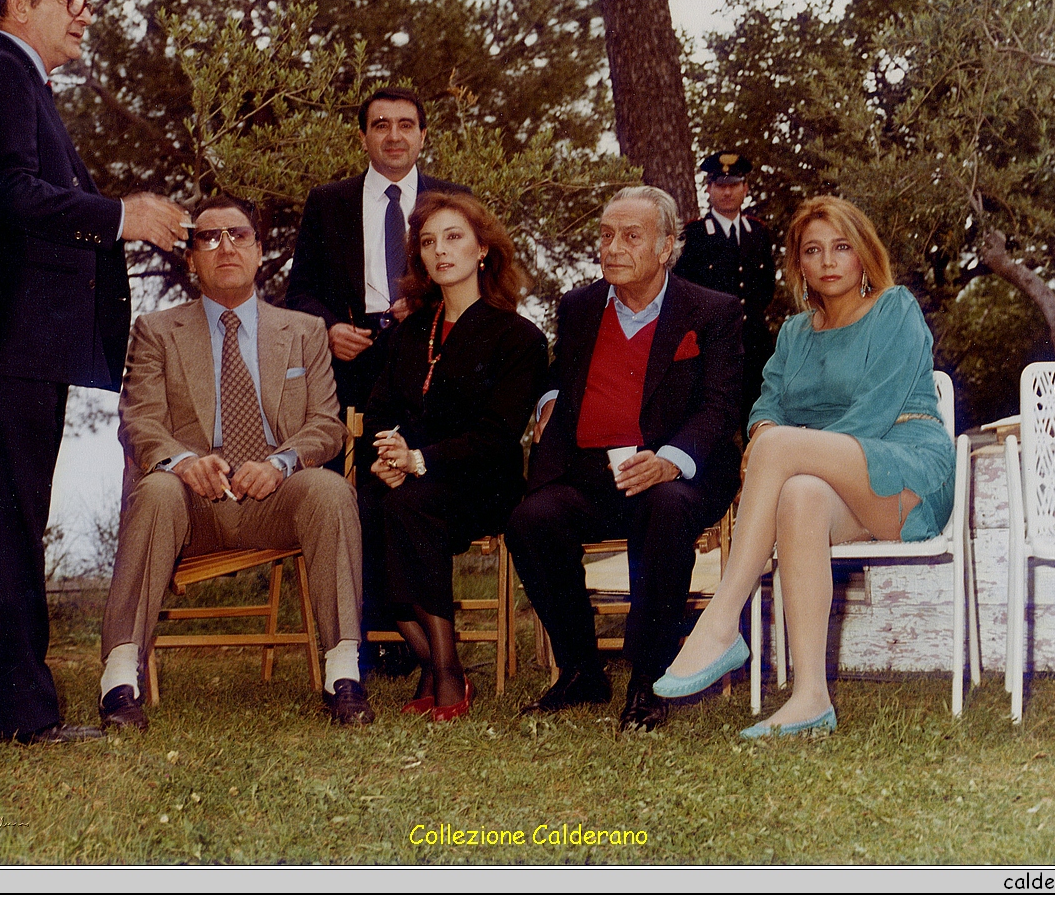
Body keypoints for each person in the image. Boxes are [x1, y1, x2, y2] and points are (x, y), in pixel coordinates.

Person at [0, 0, 187, 743]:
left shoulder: (10, 77)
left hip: (9, 348)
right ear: (18, 4)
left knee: (1, 524)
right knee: (8, 525)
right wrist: (119, 217)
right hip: (3, 343)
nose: (86, 12)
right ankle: (17, 719)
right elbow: (8, 192)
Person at [653, 195, 956, 738]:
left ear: (863, 253)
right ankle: (811, 696)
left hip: (906, 469)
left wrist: (787, 444)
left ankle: (723, 619)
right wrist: (778, 438)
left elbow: (876, 412)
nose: (829, 261)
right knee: (799, 495)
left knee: (779, 452)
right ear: (798, 265)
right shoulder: (794, 334)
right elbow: (766, 409)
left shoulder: (895, 307)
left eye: (842, 247)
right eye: (813, 251)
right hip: (839, 488)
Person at [99, 195, 374, 730]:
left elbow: (326, 423)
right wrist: (182, 462)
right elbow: (139, 421)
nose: (225, 246)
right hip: (189, 505)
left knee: (330, 490)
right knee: (153, 490)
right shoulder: (156, 330)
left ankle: (343, 672)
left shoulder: (303, 331)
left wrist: (282, 462)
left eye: (238, 235)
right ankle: (119, 679)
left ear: (258, 249)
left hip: (275, 499)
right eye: (208, 237)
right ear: (192, 259)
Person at [506, 186, 743, 732]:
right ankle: (581, 670)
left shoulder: (712, 311)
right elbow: (560, 372)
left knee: (662, 508)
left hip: (675, 474)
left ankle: (649, 677)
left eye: (630, 236)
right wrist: (547, 402)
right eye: (606, 235)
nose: (612, 247)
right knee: (530, 519)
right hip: (590, 471)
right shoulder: (580, 306)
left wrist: (669, 458)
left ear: (666, 247)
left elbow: (719, 405)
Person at [285, 87, 468, 658]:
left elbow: (474, 284)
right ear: (363, 135)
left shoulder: (451, 200)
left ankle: (423, 622)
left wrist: (431, 303)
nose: (394, 135)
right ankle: (365, 636)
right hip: (353, 356)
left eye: (406, 125)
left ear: (422, 135)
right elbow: (300, 293)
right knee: (357, 491)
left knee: (415, 483)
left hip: (428, 349)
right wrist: (325, 331)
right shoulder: (329, 201)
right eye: (381, 125)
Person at [361, 192, 548, 721]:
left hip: (484, 482)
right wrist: (386, 457)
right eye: (428, 241)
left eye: (453, 237)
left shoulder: (518, 337)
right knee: (361, 513)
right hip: (408, 479)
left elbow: (496, 436)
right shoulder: (410, 331)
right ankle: (435, 660)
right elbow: (379, 410)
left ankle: (444, 673)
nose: (440, 251)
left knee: (406, 508)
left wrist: (417, 460)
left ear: (482, 249)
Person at [674, 151, 776, 438]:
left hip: (755, 347)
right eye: (720, 184)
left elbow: (766, 287)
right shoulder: (693, 236)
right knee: (713, 426)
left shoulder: (758, 233)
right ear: (708, 188)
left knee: (758, 424)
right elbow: (684, 293)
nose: (728, 191)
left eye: (734, 184)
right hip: (711, 347)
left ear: (745, 188)